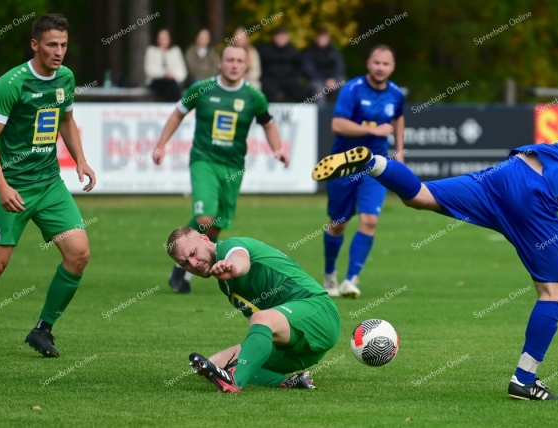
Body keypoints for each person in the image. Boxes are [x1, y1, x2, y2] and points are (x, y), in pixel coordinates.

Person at [312, 119, 558, 400]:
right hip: (535, 197)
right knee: (554, 293)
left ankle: (373, 163)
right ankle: (524, 381)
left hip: (509, 171)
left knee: (421, 195)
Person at [0, 13, 96, 358]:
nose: (59, 51)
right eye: (52, 45)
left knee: (79, 254)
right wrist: (1, 185)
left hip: (50, 184)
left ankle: (42, 330)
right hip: (12, 185)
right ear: (35, 45)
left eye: (64, 45)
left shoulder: (67, 78)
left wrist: (80, 159)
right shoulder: (12, 83)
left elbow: (67, 121)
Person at [153, 45, 289, 294]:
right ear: (220, 63)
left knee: (216, 226)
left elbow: (268, 124)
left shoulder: (253, 96)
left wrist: (278, 149)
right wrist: (161, 145)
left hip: (234, 166)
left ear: (246, 65)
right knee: (205, 218)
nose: (234, 64)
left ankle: (181, 272)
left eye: (239, 60)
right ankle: (182, 258)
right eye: (230, 60)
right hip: (204, 160)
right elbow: (177, 115)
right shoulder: (201, 89)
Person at [165, 227, 341, 392]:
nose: (193, 263)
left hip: (320, 313)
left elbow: (241, 261)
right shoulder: (225, 285)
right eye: (185, 263)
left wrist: (234, 268)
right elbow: (258, 326)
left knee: (261, 320)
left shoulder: (230, 246)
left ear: (204, 239)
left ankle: (234, 381)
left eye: (193, 254)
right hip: (297, 347)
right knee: (213, 365)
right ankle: (288, 382)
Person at [321, 44, 404, 298]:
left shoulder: (396, 93)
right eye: (376, 63)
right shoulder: (353, 89)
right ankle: (329, 275)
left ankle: (351, 280)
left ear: (392, 67)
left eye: (386, 64)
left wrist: (399, 150)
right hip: (343, 164)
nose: (381, 68)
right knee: (338, 224)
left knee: (370, 220)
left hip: (376, 165)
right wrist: (372, 130)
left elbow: (398, 117)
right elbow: (337, 124)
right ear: (369, 63)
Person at [258, 27, 308, 102]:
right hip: (270, 78)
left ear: (287, 38)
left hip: (289, 78)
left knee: (300, 90)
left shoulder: (293, 50)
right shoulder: (265, 50)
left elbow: (299, 67)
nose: (281, 39)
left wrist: (295, 77)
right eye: (279, 36)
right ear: (274, 37)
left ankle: (299, 112)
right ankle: (268, 112)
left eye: (283, 36)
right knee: (267, 90)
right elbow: (260, 66)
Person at [302, 29, 345, 104]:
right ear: (316, 39)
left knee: (344, 85)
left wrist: (333, 79)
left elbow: (340, 67)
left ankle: (342, 113)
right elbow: (309, 70)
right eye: (320, 38)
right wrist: (325, 80)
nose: (322, 40)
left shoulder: (334, 51)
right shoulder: (309, 52)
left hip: (333, 80)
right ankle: (321, 113)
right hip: (316, 80)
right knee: (318, 89)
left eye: (324, 38)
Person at [144, 28, 187, 102]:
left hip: (173, 81)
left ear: (170, 39)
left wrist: (173, 74)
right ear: (157, 39)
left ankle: (172, 108)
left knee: (171, 84)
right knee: (170, 84)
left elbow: (182, 71)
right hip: (156, 81)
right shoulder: (151, 50)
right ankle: (178, 107)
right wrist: (165, 73)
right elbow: (149, 70)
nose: (163, 40)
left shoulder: (176, 50)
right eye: (161, 38)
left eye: (165, 38)